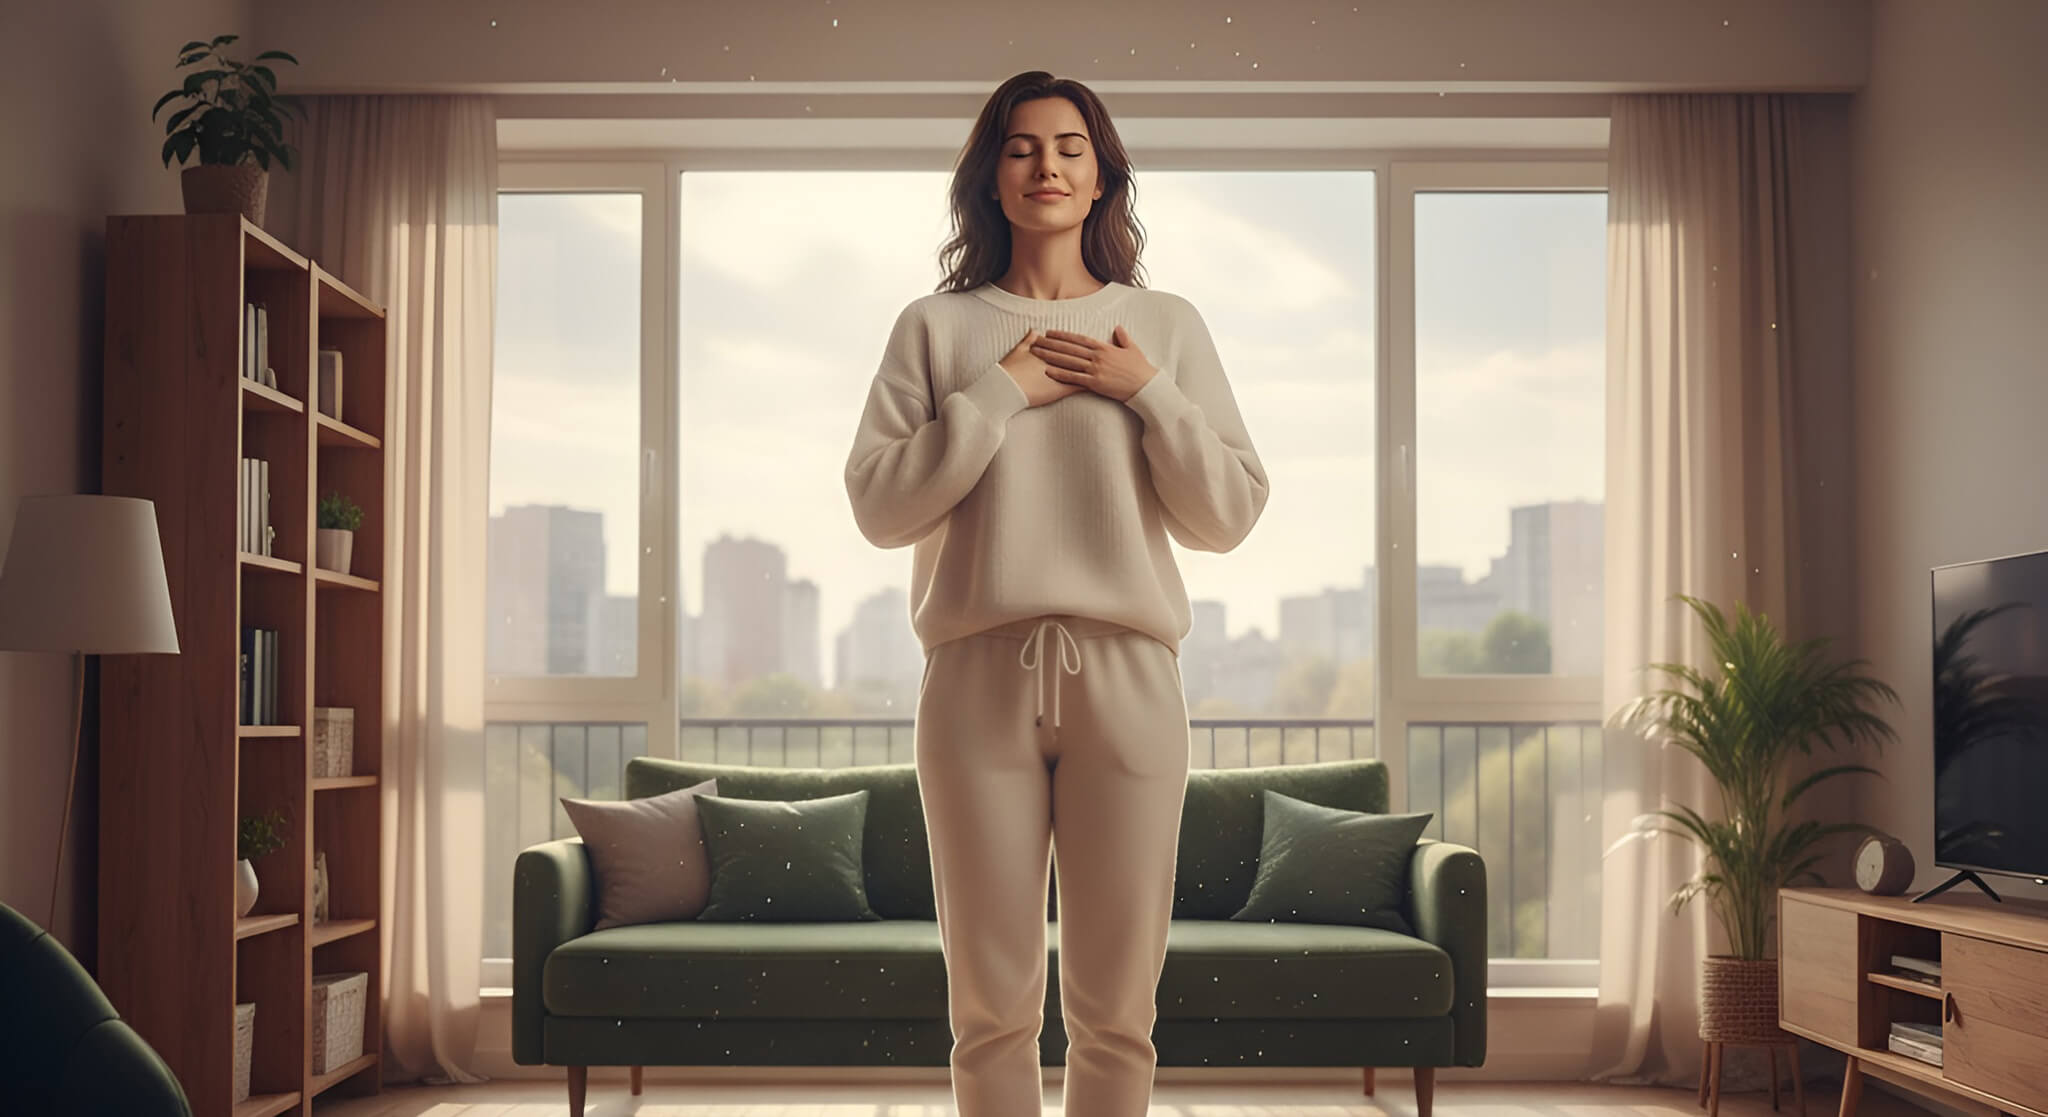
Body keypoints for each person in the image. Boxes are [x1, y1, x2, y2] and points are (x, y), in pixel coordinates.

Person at [842, 69, 1269, 1117]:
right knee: (987, 1004)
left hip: (1126, 676)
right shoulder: (934, 330)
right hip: (974, 675)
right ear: (990, 175)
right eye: (1023, 146)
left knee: (1116, 1007)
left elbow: (1227, 515)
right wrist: (999, 393)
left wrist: (1147, 393)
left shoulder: (1160, 326)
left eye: (1069, 146)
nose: (1047, 165)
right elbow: (879, 507)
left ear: (1100, 173)